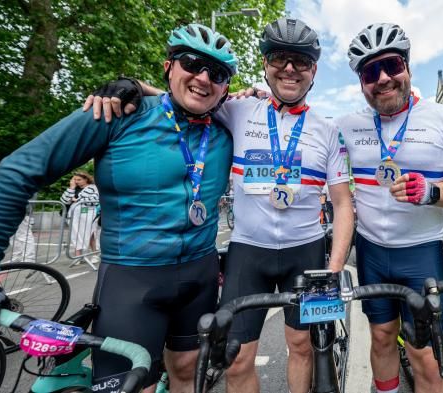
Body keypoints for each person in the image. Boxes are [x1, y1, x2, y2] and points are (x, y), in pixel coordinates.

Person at [84, 18, 354, 393]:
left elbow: (343, 205)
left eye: (301, 61)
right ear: (265, 63)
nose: (289, 68)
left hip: (305, 252)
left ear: (314, 71)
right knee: (236, 356)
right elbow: (187, 94)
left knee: (302, 346)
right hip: (248, 253)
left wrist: (334, 268)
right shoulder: (237, 110)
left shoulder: (328, 131)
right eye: (279, 57)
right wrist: (131, 88)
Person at [0, 23, 237, 393]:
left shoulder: (224, 128)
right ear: (169, 66)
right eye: (192, 63)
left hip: (199, 275)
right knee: (131, 384)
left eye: (217, 73)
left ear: (225, 87)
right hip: (132, 281)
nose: (204, 78)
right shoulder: (118, 114)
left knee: (188, 374)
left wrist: (138, 83)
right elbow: (16, 174)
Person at [339, 23, 443, 393]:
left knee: (426, 354)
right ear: (361, 82)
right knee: (383, 338)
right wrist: (260, 97)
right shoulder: (347, 125)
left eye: (391, 66)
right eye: (371, 72)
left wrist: (432, 192)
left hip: (422, 254)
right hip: (372, 252)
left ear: (407, 67)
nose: (383, 79)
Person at [60, 171, 99, 259]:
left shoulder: (93, 188)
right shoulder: (74, 189)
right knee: (75, 234)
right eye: (75, 180)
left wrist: (76, 200)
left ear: (86, 179)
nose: (77, 181)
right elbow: (64, 200)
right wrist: (71, 187)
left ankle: (95, 255)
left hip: (88, 214)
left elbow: (95, 199)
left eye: (79, 179)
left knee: (90, 233)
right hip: (74, 215)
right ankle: (78, 256)